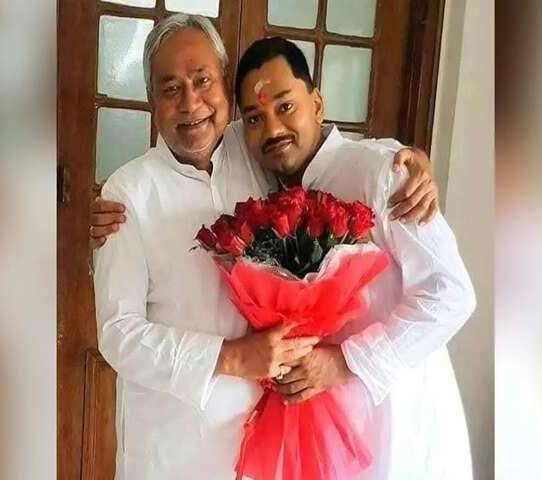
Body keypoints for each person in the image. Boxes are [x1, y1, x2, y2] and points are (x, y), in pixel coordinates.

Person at [93, 14, 442, 480]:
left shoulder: (254, 150)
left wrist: (407, 161)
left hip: (267, 438)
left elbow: (318, 141)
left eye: (203, 81)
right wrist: (232, 357)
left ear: (225, 87)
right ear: (151, 99)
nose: (191, 103)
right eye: (170, 88)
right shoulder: (128, 192)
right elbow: (118, 333)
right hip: (173, 443)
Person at [233, 37, 476, 479]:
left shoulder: (381, 172)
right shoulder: (268, 189)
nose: (272, 129)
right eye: (254, 118)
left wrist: (347, 362)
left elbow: (451, 294)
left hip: (399, 420)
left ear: (317, 104)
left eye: (285, 106)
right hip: (322, 431)